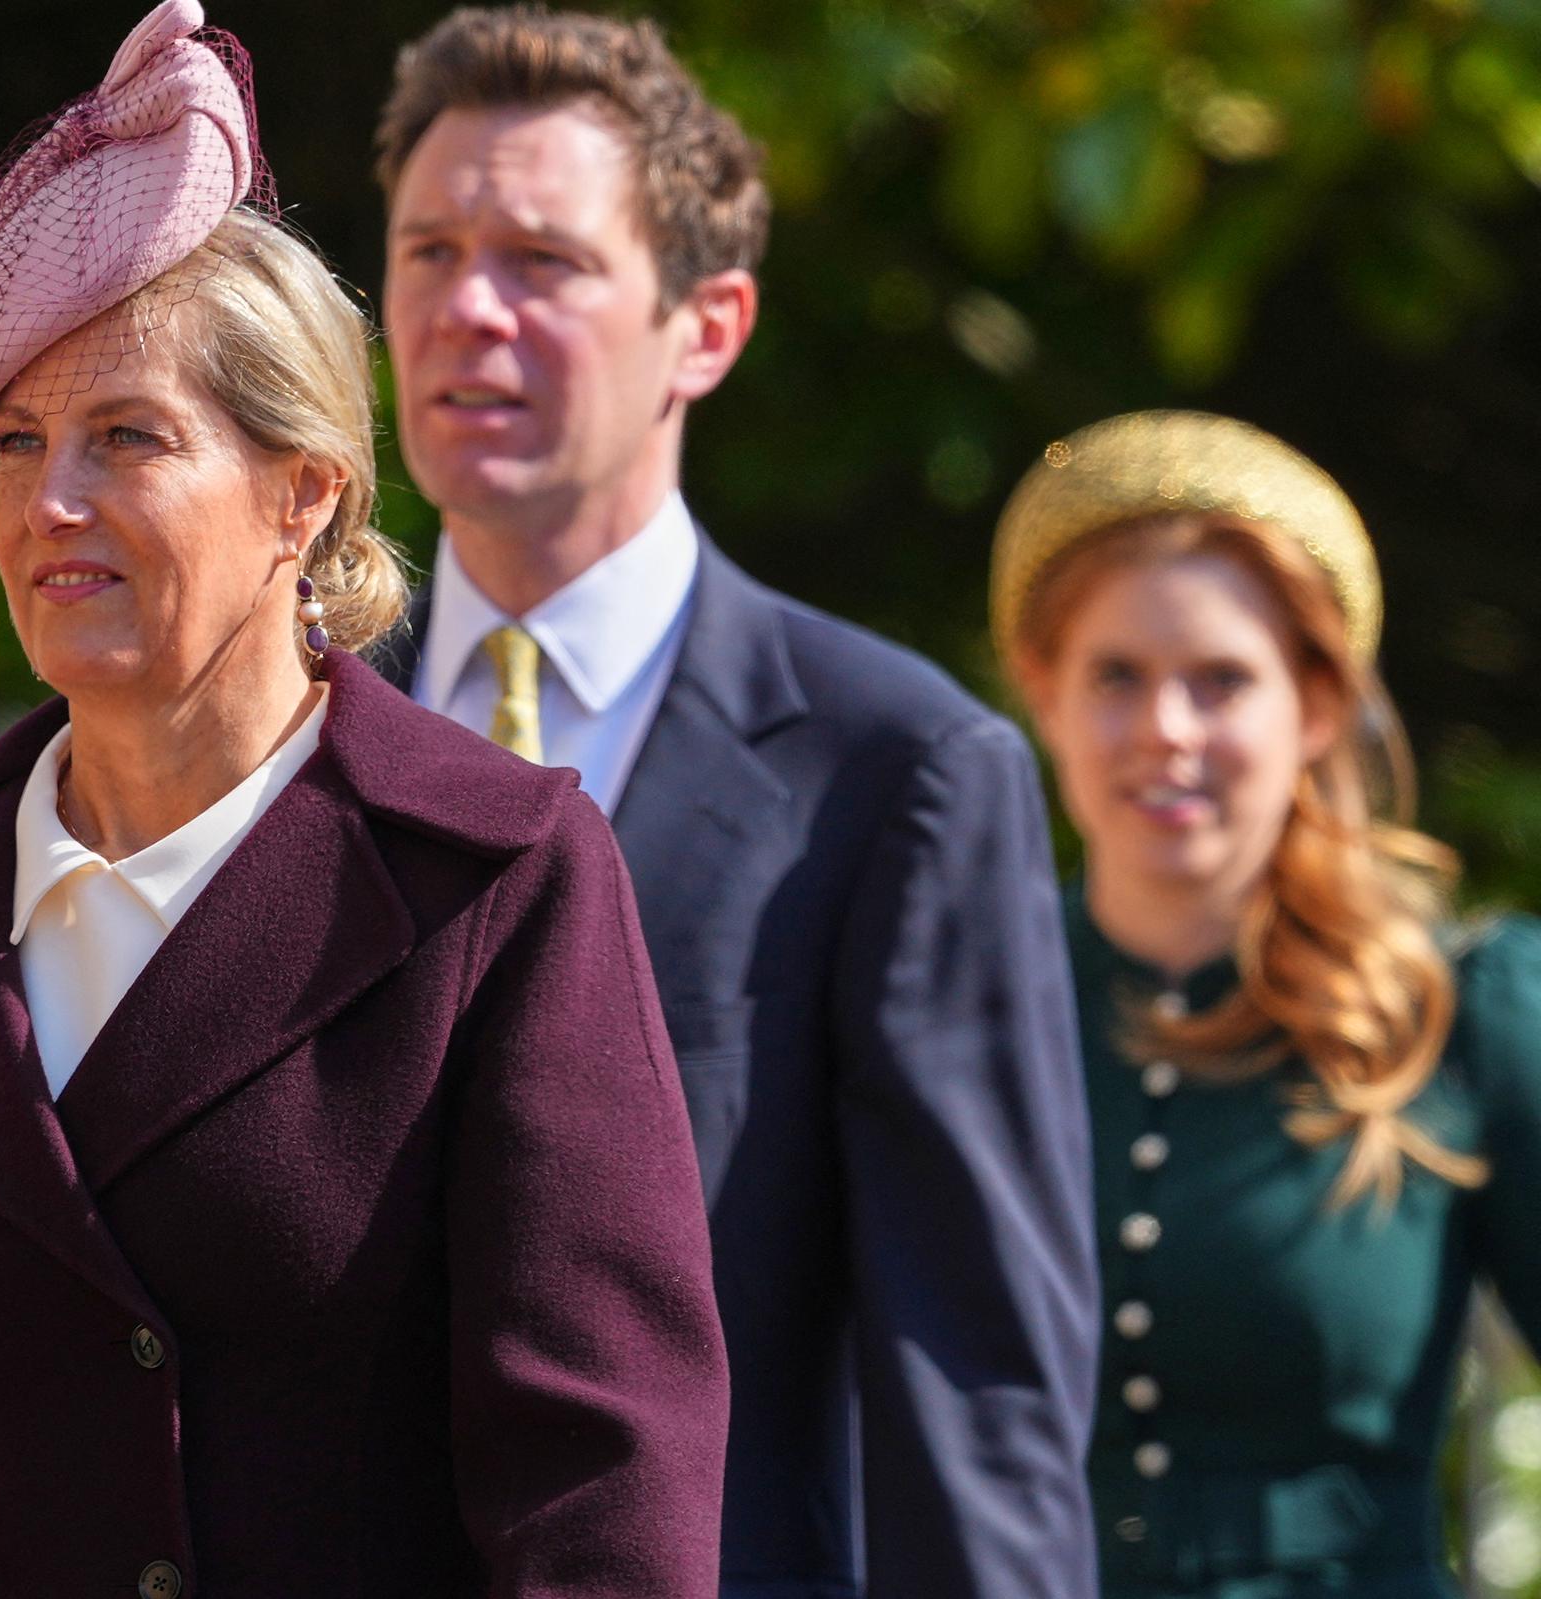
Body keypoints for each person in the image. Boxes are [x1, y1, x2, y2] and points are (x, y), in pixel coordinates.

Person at [0, 5, 727, 1595]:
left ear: (303, 491)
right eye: (26, 437)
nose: (50, 501)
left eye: (129, 438)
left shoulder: (494, 878)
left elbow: (598, 1499)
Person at [368, 9, 1099, 1596]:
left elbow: (973, 1385)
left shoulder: (897, 769)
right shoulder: (289, 720)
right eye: (428, 251)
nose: (466, 310)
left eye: (542, 260)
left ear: (706, 327)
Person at [992, 409, 1541, 1598]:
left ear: (1319, 705)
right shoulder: (962, 1006)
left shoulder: (1457, 1010)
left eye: (1223, 681)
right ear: (1042, 690)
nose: (1165, 732)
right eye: (1117, 677)